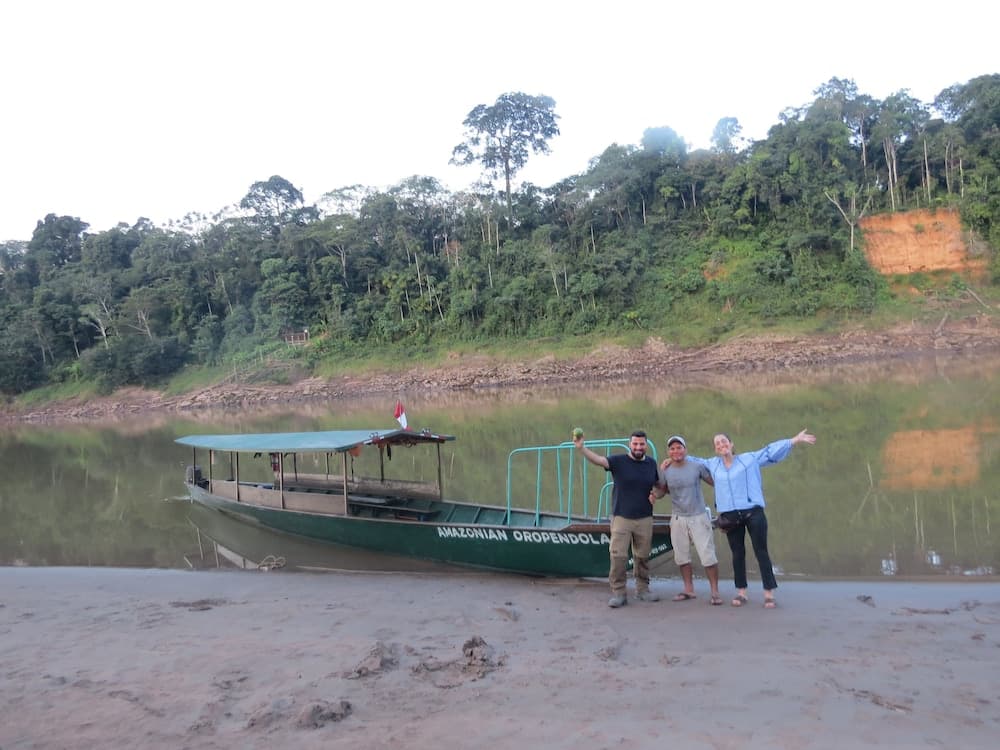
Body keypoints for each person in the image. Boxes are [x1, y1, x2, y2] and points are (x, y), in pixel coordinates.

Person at [686, 429, 816, 609]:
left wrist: (793, 441)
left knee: (761, 551)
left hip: (753, 513)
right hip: (730, 516)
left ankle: (769, 593)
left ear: (731, 445)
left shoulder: (748, 459)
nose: (722, 445)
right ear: (716, 450)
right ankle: (741, 592)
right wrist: (673, 459)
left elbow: (770, 451)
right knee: (737, 554)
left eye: (724, 441)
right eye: (717, 444)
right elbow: (691, 460)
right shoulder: (712, 464)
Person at [573, 429, 664, 608]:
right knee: (618, 556)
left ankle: (642, 589)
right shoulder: (618, 461)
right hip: (621, 516)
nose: (638, 447)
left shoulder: (652, 464)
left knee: (643, 556)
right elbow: (598, 460)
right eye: (635, 444)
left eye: (642, 444)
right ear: (630, 444)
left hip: (645, 517)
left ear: (646, 446)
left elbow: (661, 487)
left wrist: (656, 494)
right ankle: (619, 592)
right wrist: (582, 448)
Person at [653, 435, 722, 605]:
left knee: (708, 556)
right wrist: (652, 494)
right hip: (678, 517)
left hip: (698, 516)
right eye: (672, 448)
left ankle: (715, 592)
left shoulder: (697, 466)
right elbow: (661, 491)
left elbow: (716, 482)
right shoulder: (665, 470)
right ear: (668, 452)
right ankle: (688, 590)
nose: (676, 451)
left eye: (679, 447)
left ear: (685, 449)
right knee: (682, 557)